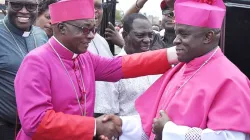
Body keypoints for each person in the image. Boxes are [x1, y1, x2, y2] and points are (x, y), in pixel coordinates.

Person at [14, 0, 178, 139]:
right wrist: (93, 126)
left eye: (93, 29)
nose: (92, 36)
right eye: (85, 29)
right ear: (62, 27)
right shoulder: (36, 62)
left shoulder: (83, 57)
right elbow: (35, 121)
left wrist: (175, 53)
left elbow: (120, 66)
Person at [116, 0, 250, 139]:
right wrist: (120, 124)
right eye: (176, 33)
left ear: (207, 37)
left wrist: (169, 131)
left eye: (183, 34)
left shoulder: (232, 81)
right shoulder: (181, 68)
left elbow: (229, 137)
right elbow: (153, 122)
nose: (175, 40)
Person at [0, 0, 48, 139]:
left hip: (39, 128)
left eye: (31, 6)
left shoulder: (41, 35)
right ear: (7, 4)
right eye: (16, 5)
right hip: (5, 129)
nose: (24, 11)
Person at [113, 13, 161, 116]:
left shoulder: (159, 63)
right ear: (125, 36)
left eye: (150, 35)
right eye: (140, 35)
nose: (147, 40)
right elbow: (107, 116)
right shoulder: (113, 68)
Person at [87, 0, 117, 117]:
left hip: (108, 113)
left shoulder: (102, 41)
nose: (95, 11)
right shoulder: (71, 41)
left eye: (98, 7)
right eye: (90, 6)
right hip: (89, 115)